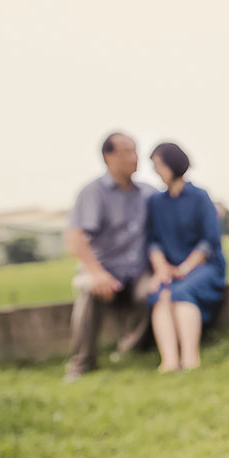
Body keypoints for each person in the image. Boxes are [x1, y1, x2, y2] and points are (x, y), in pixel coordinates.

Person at [64, 132, 157, 382]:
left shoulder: (148, 193)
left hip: (138, 272)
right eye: (127, 152)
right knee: (89, 291)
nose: (134, 157)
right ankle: (81, 364)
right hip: (102, 269)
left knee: (153, 290)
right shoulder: (93, 193)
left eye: (135, 151)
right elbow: (75, 237)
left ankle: (130, 351)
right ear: (108, 157)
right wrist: (96, 273)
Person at [146, 142, 226, 373]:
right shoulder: (156, 203)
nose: (156, 171)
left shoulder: (199, 197)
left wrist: (184, 268)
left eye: (159, 165)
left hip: (204, 267)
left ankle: (190, 359)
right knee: (161, 295)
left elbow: (209, 241)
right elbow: (153, 241)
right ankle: (169, 361)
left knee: (180, 292)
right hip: (170, 268)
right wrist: (161, 269)